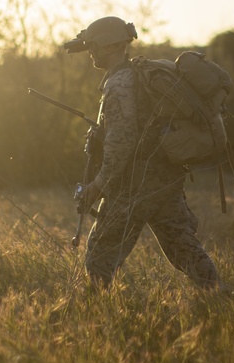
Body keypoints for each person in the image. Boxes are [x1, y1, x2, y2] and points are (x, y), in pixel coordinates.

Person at [64, 16, 222, 289]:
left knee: (99, 259)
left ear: (112, 46)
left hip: (133, 186)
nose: (91, 52)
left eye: (94, 46)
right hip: (164, 179)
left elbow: (122, 143)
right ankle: (221, 295)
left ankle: (93, 318)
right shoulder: (134, 77)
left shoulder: (119, 84)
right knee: (183, 248)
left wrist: (98, 185)